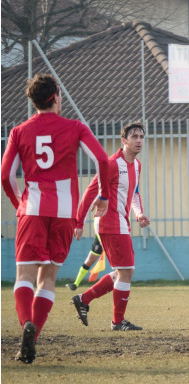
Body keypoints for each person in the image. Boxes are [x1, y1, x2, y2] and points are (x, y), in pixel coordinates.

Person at [0, 74, 110, 363]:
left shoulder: (19, 131)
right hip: (63, 213)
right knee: (47, 278)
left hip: (32, 210)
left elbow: (5, 175)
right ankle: (32, 338)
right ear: (56, 97)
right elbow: (102, 160)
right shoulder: (75, 127)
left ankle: (26, 324)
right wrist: (104, 195)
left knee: (24, 276)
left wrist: (17, 202)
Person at [71, 122, 150, 331]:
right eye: (134, 136)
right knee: (127, 271)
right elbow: (90, 191)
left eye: (141, 136)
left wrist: (139, 213)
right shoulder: (112, 164)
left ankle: (84, 298)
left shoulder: (137, 165)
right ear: (123, 141)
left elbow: (134, 193)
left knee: (121, 271)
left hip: (122, 221)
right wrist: (79, 221)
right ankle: (117, 321)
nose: (139, 140)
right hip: (109, 220)